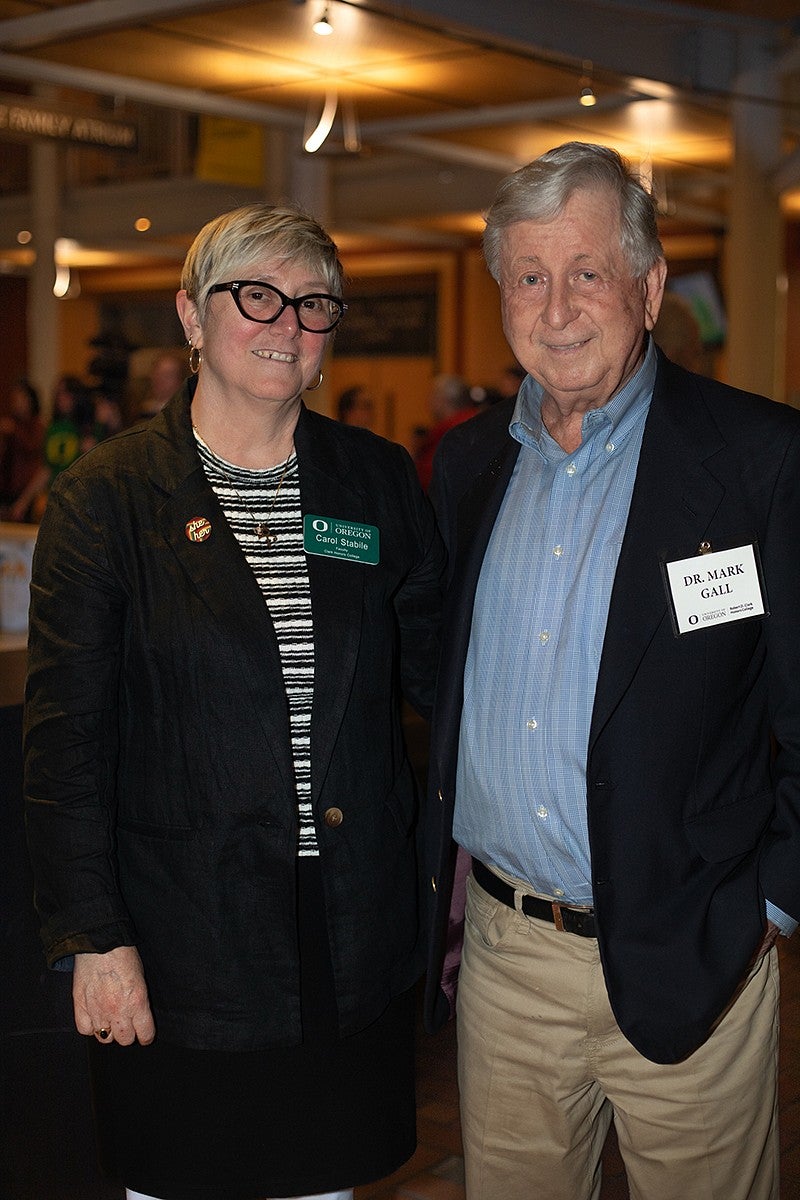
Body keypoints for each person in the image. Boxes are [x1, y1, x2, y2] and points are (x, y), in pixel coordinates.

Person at [24, 202, 445, 1200]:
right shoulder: (107, 497)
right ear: (190, 315)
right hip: (180, 943)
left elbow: (439, 669)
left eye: (311, 304)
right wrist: (93, 939)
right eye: (254, 295)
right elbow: (66, 742)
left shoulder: (374, 481)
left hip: (340, 928)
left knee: (321, 1183)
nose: (284, 324)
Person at [423, 141, 800, 1200]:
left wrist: (764, 910)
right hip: (504, 962)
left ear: (644, 286)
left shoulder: (759, 462)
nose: (555, 308)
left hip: (694, 946)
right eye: (527, 278)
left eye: (584, 273)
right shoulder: (466, 465)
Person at [9, 373, 91, 522]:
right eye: (58, 393)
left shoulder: (89, 428)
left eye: (66, 393)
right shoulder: (53, 428)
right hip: (54, 499)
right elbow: (46, 469)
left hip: (81, 502)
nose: (61, 397)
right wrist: (23, 501)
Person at [414, 373, 475, 490]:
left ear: (442, 399)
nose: (428, 401)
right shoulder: (473, 422)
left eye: (432, 395)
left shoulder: (453, 432)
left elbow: (430, 476)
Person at [0, 377, 45, 519]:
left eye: (20, 399)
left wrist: (15, 432)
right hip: (7, 487)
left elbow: (33, 448)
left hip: (26, 490)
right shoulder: (10, 423)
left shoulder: (37, 425)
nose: (16, 403)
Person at [134, 349, 187, 420]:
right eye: (157, 374)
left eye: (168, 375)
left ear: (180, 379)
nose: (160, 379)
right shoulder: (139, 410)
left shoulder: (184, 413)